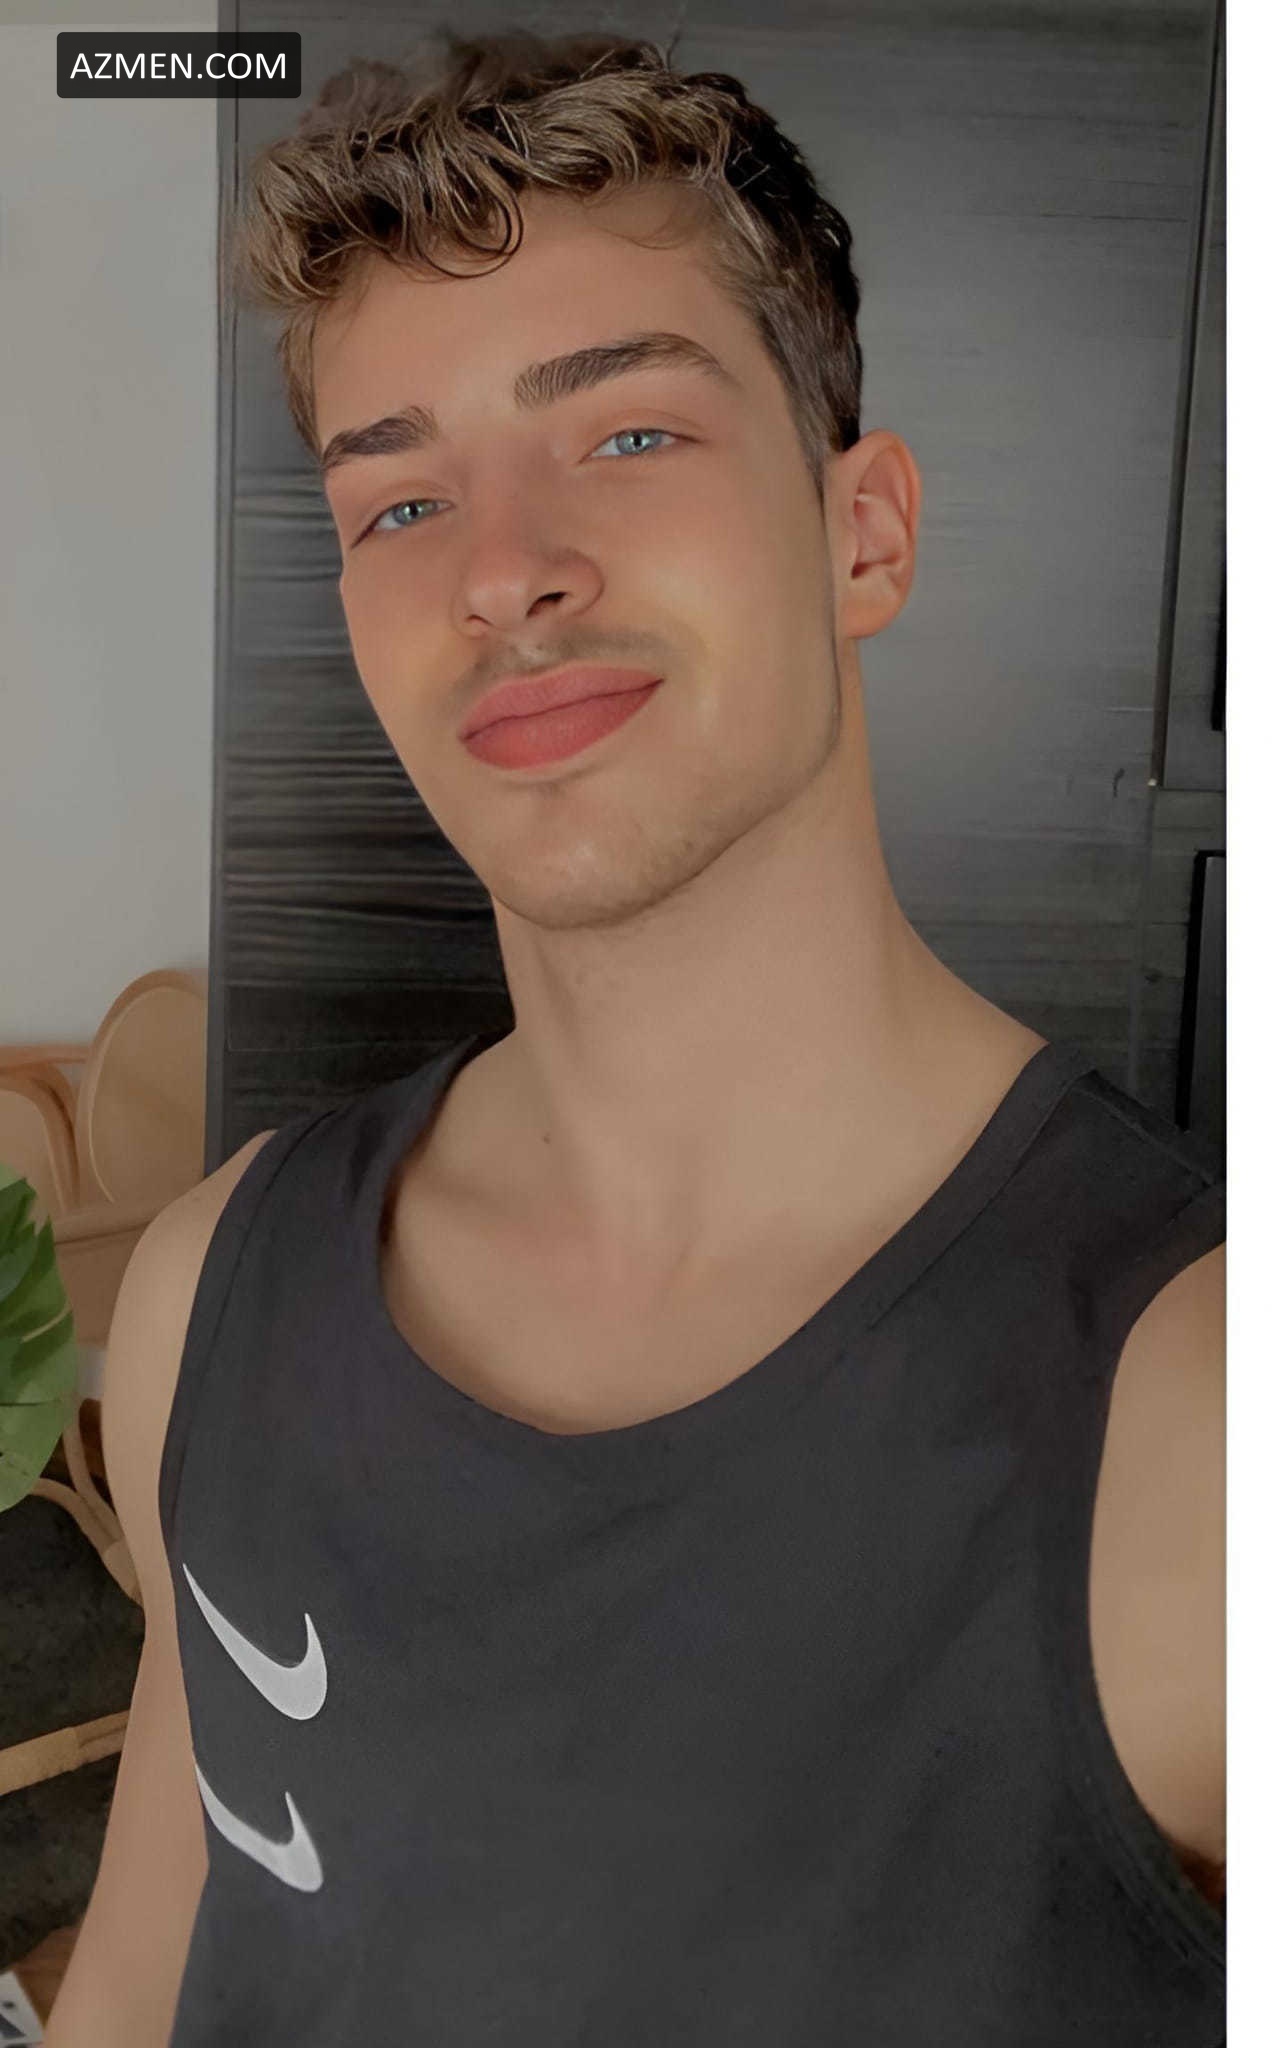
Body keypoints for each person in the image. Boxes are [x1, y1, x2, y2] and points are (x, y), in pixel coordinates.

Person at [47, 31, 1224, 2047]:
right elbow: (145, 1991)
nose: (501, 571)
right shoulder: (206, 1292)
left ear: (864, 534)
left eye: (627, 434)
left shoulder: (1197, 1415)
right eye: (399, 499)